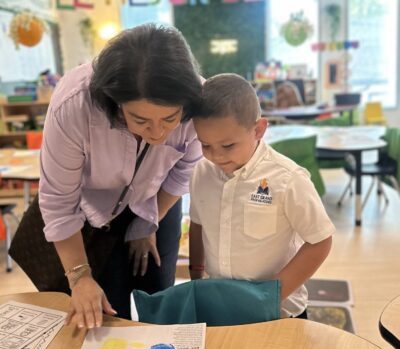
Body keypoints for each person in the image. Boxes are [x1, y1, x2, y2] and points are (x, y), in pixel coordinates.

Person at [39, 23, 203, 328]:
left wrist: (147, 221)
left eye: (170, 119)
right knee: (106, 305)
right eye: (140, 120)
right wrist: (80, 277)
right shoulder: (74, 105)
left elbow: (183, 171)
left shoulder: (197, 101)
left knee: (159, 294)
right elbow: (59, 201)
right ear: (114, 103)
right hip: (91, 209)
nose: (157, 133)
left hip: (156, 200)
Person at [188, 73, 335, 318]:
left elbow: (320, 240)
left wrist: (270, 296)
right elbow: (197, 224)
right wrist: (196, 275)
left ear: (258, 130)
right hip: (220, 304)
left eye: (227, 146)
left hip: (279, 311)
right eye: (205, 145)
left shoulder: (288, 178)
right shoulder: (201, 172)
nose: (216, 156)